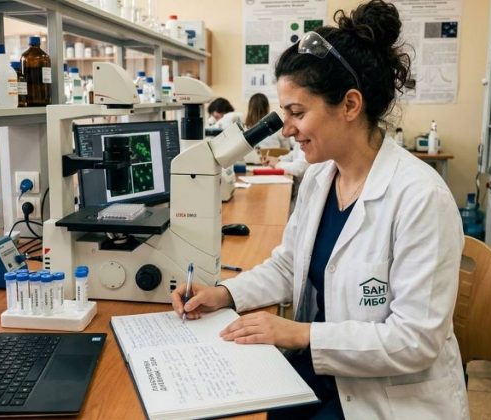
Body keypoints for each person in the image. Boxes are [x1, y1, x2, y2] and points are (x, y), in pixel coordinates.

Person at [171, 1, 469, 419]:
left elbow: (415, 340)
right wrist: (225, 294)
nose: (287, 128)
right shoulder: (320, 177)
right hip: (321, 372)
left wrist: (300, 333)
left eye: (297, 112)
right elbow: (288, 265)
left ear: (350, 105)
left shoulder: (420, 198)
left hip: (384, 397)